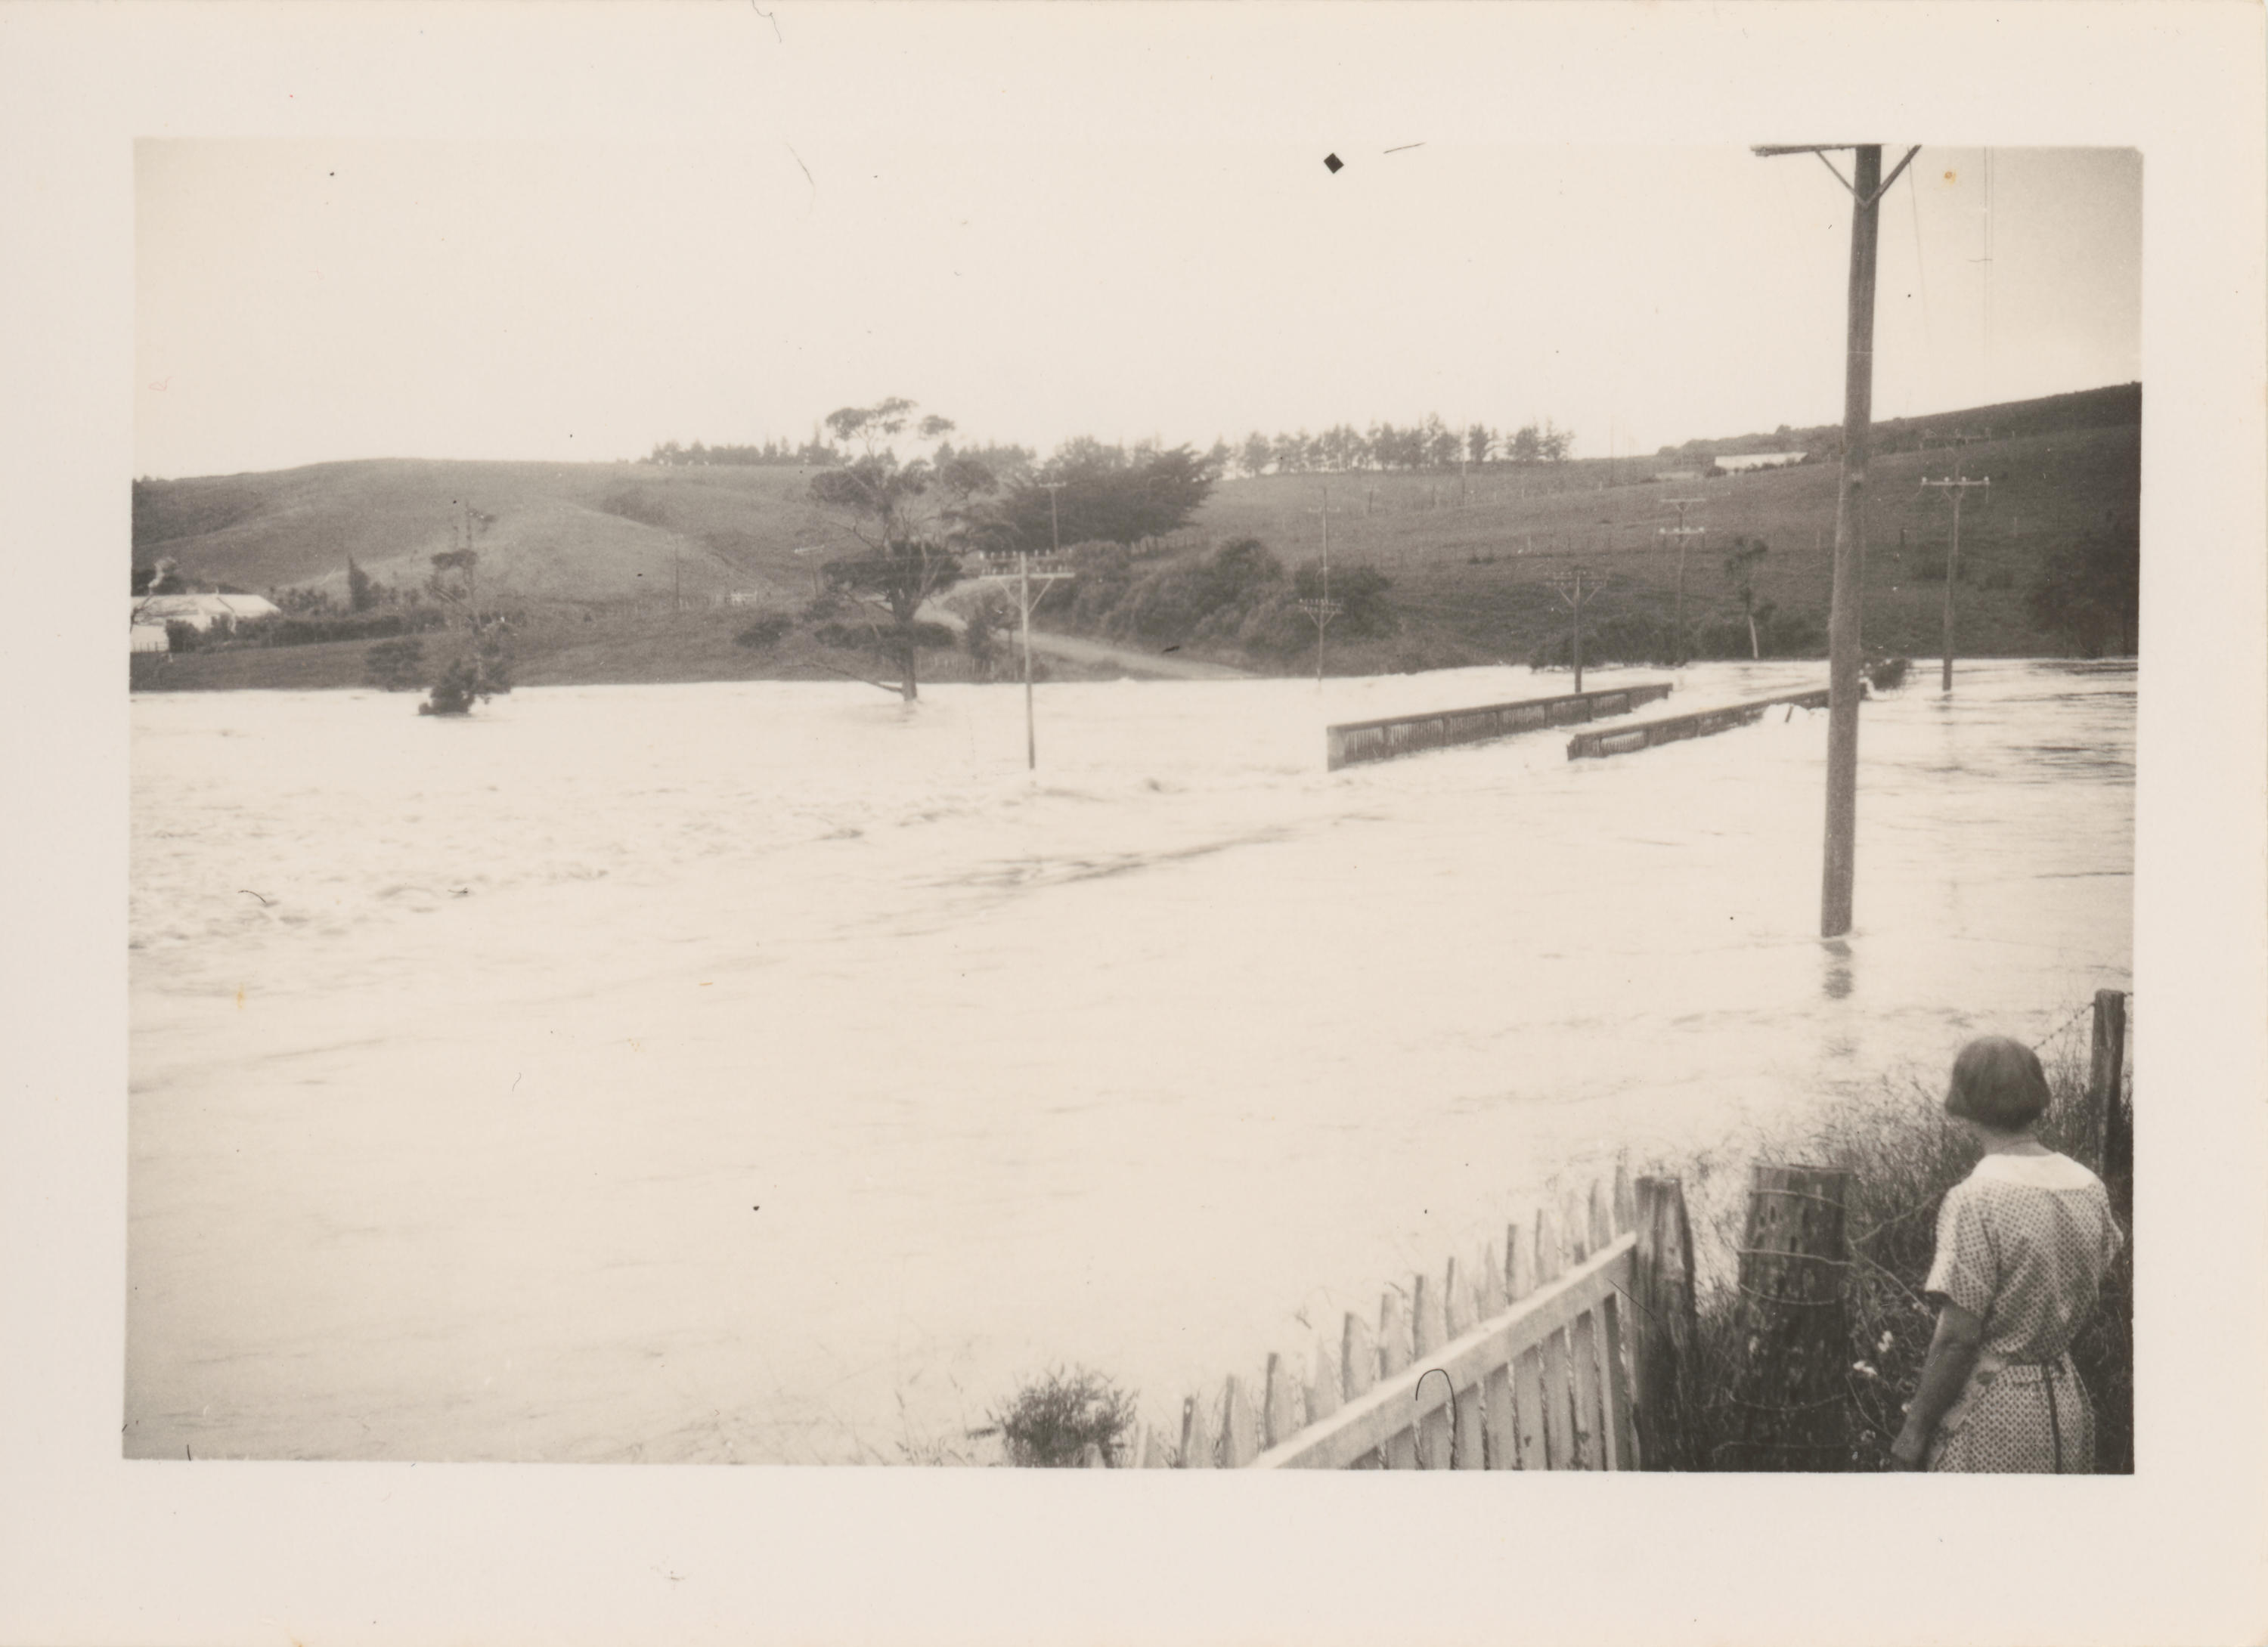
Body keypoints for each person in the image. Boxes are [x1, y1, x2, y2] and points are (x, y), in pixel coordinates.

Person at [1889, 1036, 2124, 1472]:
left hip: (1991, 1412)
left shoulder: (1976, 1198)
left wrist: (1915, 1428)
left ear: (1967, 1105)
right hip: (2065, 1398)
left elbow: (1959, 1339)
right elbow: (2090, 1290)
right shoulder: (2088, 1186)